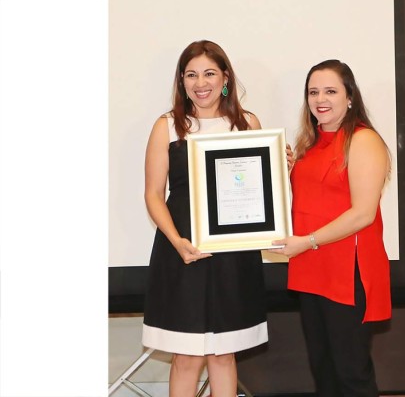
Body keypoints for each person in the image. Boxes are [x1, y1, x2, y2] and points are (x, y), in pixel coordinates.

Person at [142, 40, 268, 397]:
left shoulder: (247, 123)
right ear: (182, 81)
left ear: (225, 77)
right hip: (182, 250)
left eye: (209, 73)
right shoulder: (166, 126)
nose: (201, 82)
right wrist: (176, 241)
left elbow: (259, 191)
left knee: (224, 355)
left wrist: (280, 168)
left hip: (234, 253)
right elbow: (154, 194)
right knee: (186, 357)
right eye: (192, 74)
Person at [271, 59, 392, 397]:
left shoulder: (363, 140)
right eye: (313, 92)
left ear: (350, 97)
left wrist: (306, 241)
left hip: (347, 273)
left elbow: (362, 214)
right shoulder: (309, 144)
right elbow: (313, 201)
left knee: (351, 374)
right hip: (312, 270)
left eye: (330, 91)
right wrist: (283, 170)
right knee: (324, 373)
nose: (320, 99)